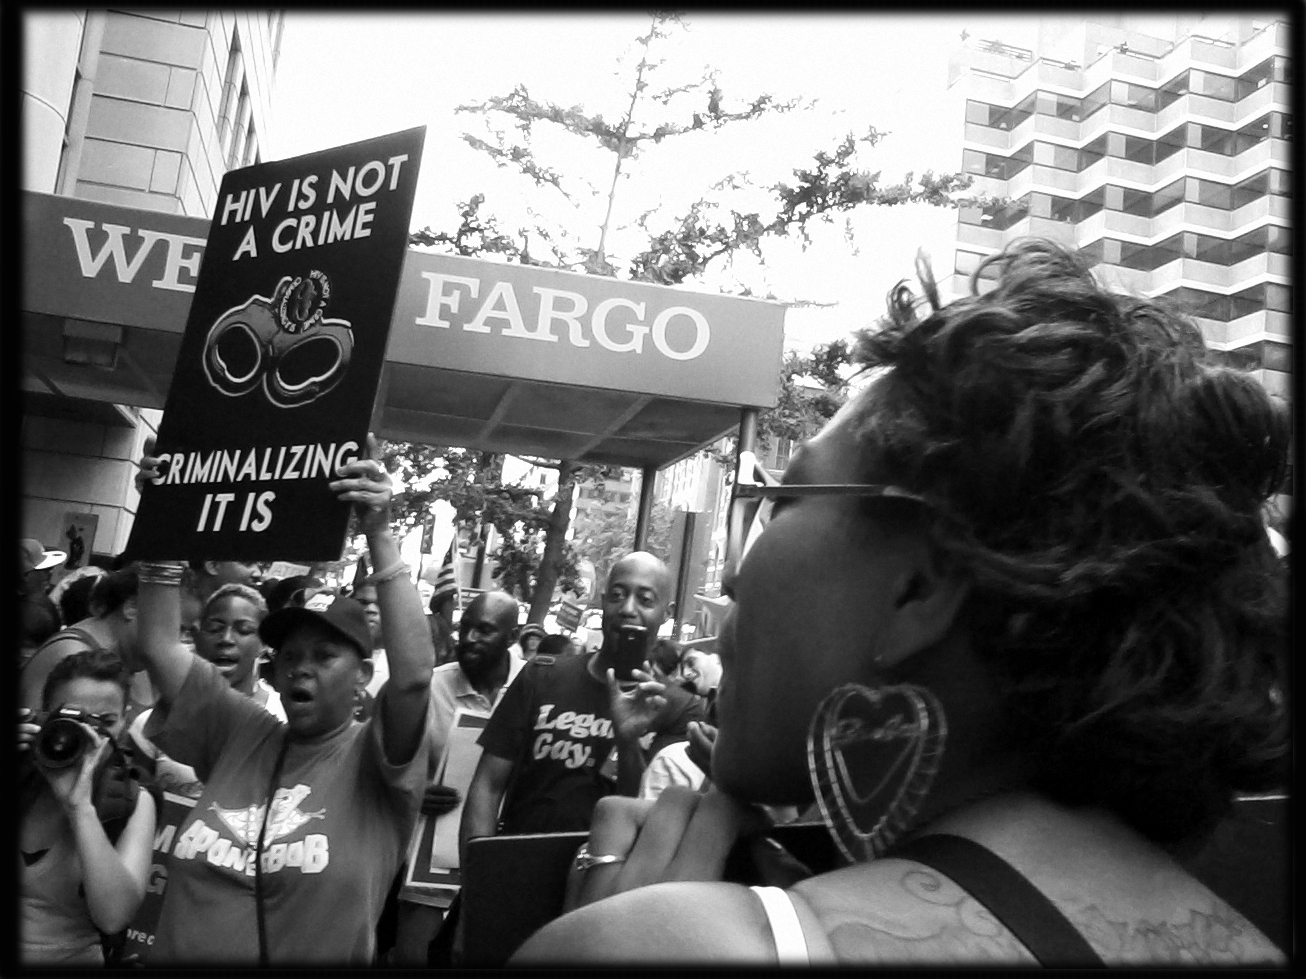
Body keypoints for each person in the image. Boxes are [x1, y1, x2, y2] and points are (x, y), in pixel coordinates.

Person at [515, 240, 1289, 966]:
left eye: (782, 501)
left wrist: (621, 923)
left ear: (920, 587)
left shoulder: (676, 942)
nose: (736, 583)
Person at [129, 436, 434, 964]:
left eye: (323, 655)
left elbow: (412, 680)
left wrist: (379, 530)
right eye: (289, 654)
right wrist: (163, 518)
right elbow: (158, 644)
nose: (301, 666)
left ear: (363, 675)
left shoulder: (377, 761)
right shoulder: (240, 730)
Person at [459, 552, 675, 860]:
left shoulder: (676, 709)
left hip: (604, 885)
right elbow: (488, 787)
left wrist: (628, 743)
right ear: (602, 602)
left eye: (645, 599)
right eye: (617, 595)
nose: (628, 609)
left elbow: (646, 812)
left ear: (666, 612)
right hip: (519, 871)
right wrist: (479, 876)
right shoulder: (540, 676)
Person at [389, 590, 527, 964]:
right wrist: (412, 791)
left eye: (484, 631)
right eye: (465, 627)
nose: (469, 639)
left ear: (512, 637)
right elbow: (384, 761)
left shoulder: (534, 689)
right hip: (433, 856)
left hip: (504, 856)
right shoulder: (431, 687)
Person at [19, 649, 157, 965]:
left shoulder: (131, 801)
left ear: (125, 722)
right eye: (72, 719)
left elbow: (114, 917)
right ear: (43, 716)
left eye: (105, 722)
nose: (88, 734)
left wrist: (80, 807)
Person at [127, 583, 285, 797]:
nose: (226, 639)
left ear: (264, 645)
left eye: (244, 630)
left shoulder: (285, 719)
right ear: (196, 636)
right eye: (214, 628)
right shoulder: (147, 725)